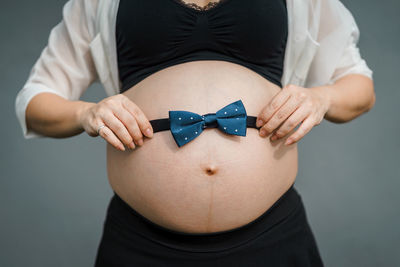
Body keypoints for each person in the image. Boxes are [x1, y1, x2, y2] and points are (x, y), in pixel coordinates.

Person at [14, 0, 375, 266]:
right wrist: (86, 113)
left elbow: (359, 87)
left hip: (273, 235)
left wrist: (322, 97)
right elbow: (35, 101)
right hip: (141, 243)